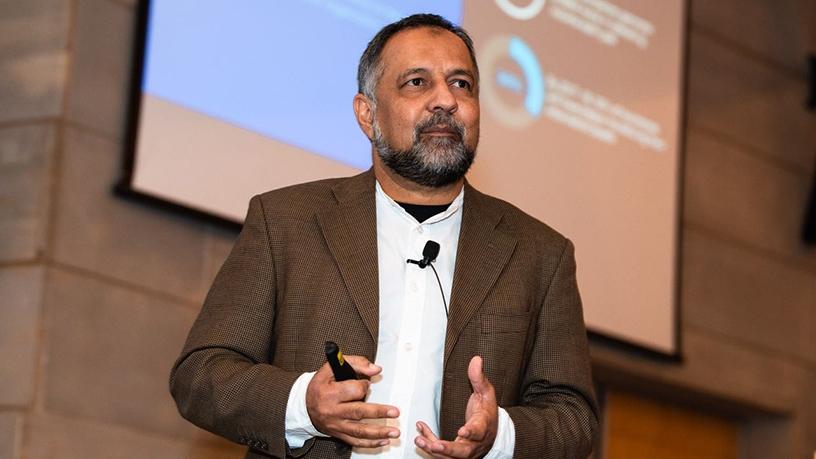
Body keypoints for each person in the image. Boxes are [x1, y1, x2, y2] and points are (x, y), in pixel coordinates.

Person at [170, 13, 598, 459]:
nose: (445, 101)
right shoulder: (287, 222)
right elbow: (202, 374)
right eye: (416, 82)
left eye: (461, 84)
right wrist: (304, 405)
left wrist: (501, 434)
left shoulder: (539, 254)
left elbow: (573, 417)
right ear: (367, 114)